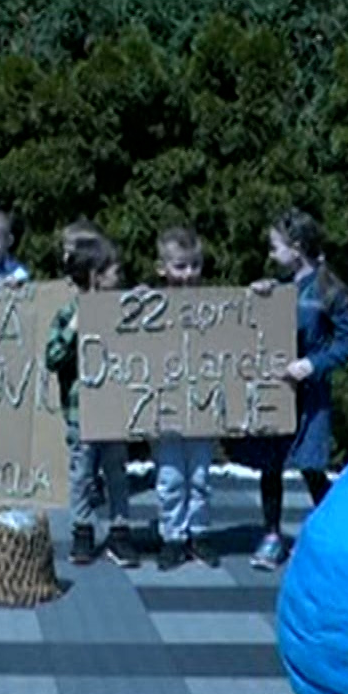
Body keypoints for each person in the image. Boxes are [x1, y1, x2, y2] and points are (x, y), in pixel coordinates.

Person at [244, 208, 348, 571]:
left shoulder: (329, 290)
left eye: (275, 247)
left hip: (310, 395)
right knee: (271, 464)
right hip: (277, 391)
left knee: (311, 467)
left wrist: (312, 365)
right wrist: (258, 295)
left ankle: (333, 534)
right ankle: (271, 535)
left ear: (297, 248)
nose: (270, 254)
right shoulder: (279, 289)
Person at [43, 229, 136, 567]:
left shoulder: (124, 310)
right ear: (96, 277)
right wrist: (75, 329)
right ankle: (82, 531)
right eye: (115, 271)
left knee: (117, 474)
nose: (121, 276)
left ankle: (120, 531)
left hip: (115, 411)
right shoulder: (69, 314)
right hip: (81, 413)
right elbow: (52, 357)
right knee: (82, 474)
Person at [145, 226, 218, 570]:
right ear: (163, 268)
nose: (188, 274)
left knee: (201, 477)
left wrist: (263, 297)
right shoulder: (150, 306)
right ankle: (172, 535)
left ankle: (199, 533)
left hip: (202, 407)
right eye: (179, 266)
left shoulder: (217, 308)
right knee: (171, 478)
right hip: (165, 411)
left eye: (193, 265)